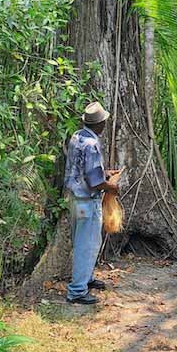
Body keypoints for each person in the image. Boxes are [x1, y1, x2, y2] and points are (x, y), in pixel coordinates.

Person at [63, 102, 121, 305]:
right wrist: (111, 187)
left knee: (84, 241)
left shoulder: (77, 136)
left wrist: (105, 173)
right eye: (104, 121)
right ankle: (77, 291)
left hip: (75, 199)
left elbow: (82, 168)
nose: (105, 124)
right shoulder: (92, 144)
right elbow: (94, 182)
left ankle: (86, 279)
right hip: (87, 202)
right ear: (100, 124)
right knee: (86, 245)